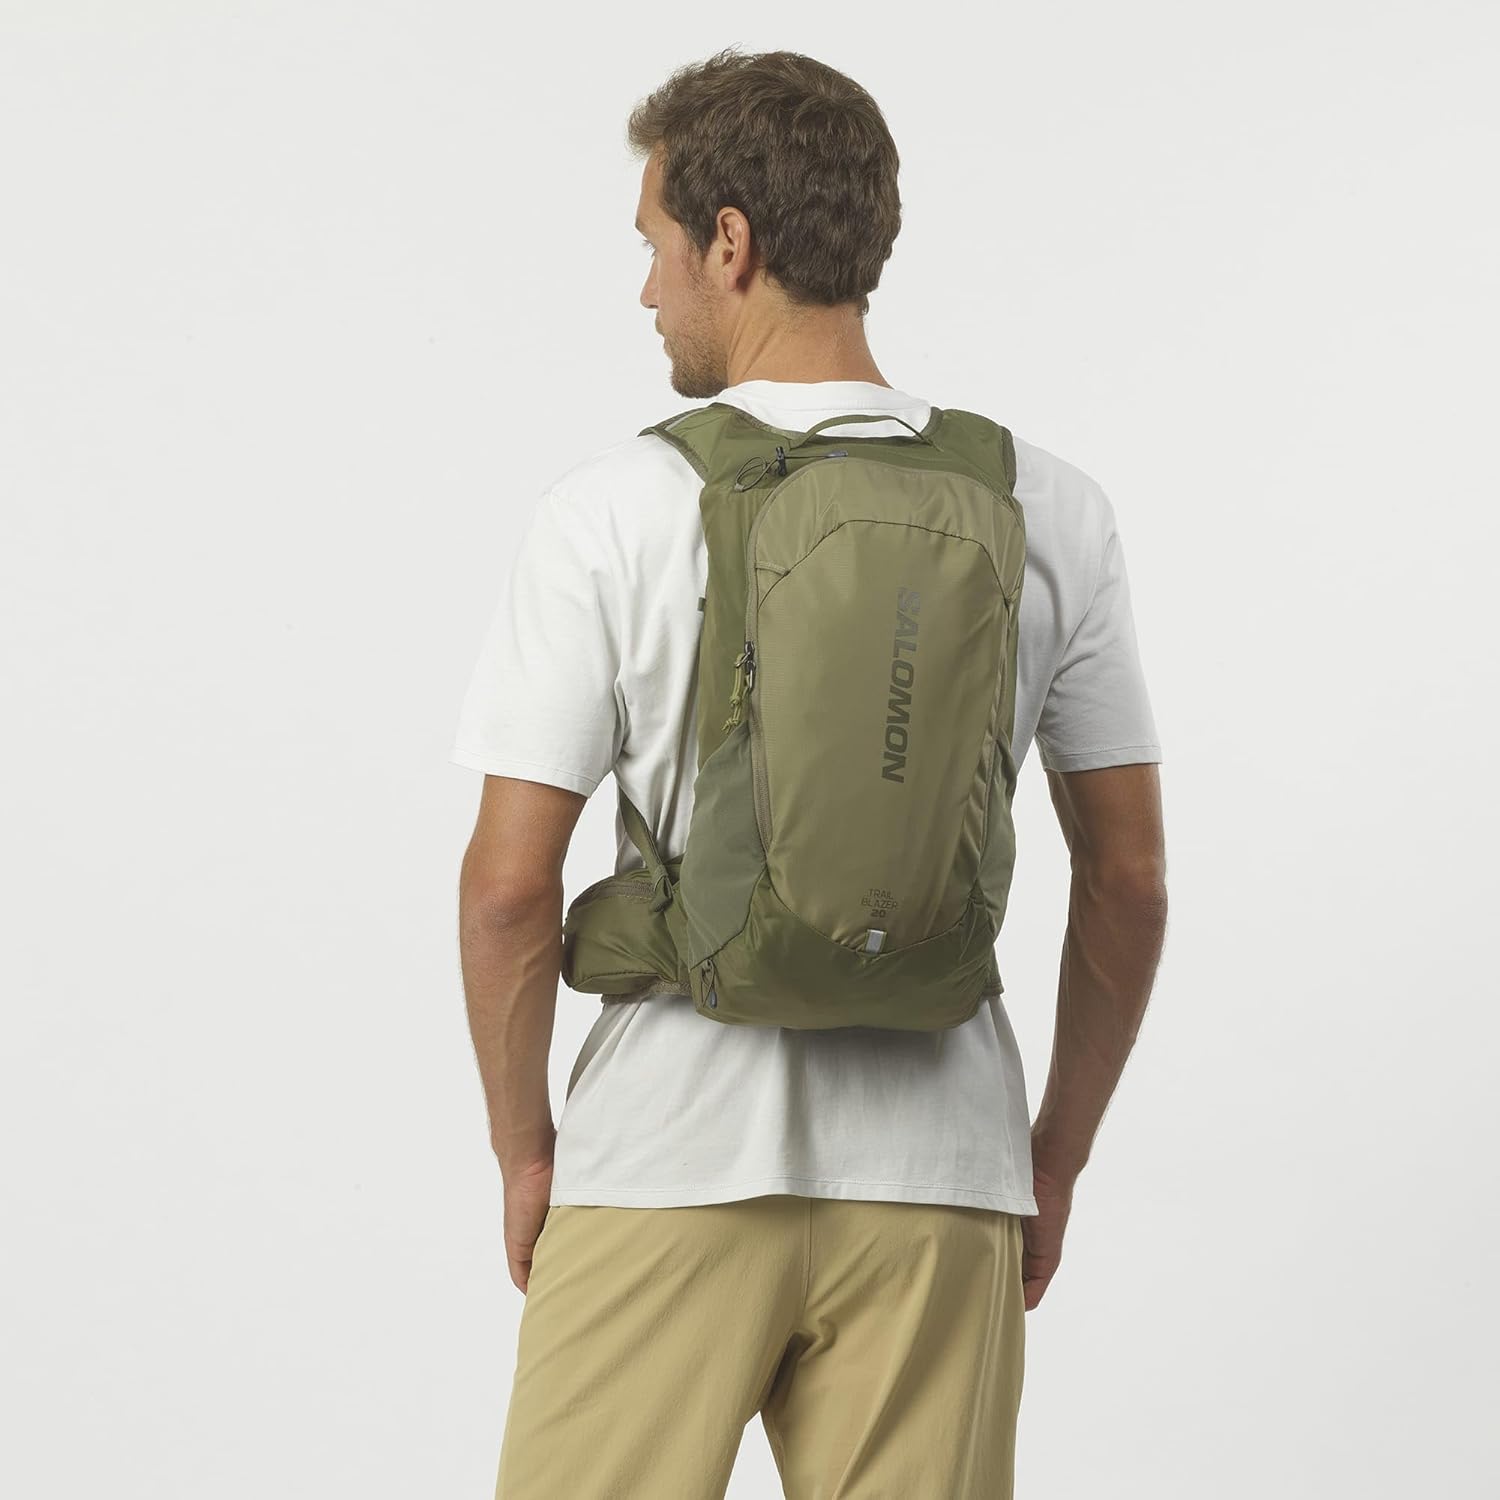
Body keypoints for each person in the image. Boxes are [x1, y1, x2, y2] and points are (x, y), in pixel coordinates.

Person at [452, 46, 1168, 1500]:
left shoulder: (613, 511)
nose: (647, 290)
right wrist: (1053, 1156)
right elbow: (1131, 880)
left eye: (656, 245)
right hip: (941, 1179)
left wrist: (527, 1152)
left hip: (664, 1162)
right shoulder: (1050, 508)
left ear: (731, 243)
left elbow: (511, 891)